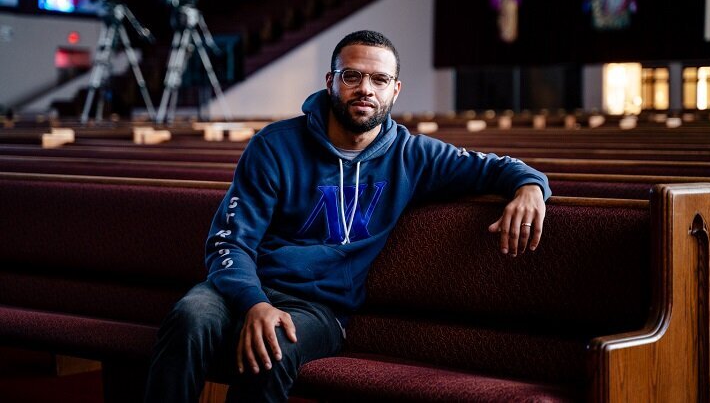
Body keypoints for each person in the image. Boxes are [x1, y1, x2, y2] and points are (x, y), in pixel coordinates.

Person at [143, 29, 551, 402]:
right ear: (330, 81)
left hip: (318, 307)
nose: (365, 89)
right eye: (352, 76)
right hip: (244, 287)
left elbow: (498, 167)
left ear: (395, 91)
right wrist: (255, 302)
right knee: (189, 317)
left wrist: (531, 187)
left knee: (274, 348)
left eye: (379, 80)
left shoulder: (414, 155)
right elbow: (230, 241)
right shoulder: (274, 146)